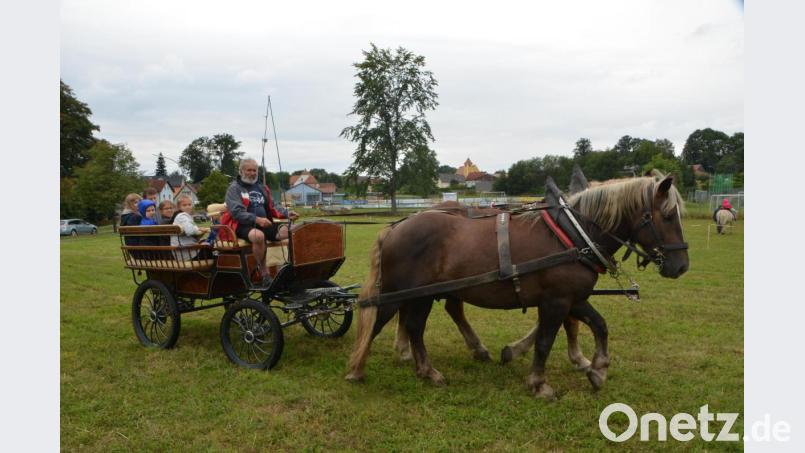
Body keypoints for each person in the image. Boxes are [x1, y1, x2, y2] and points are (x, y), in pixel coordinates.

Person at [225, 158, 299, 285]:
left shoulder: (261, 187)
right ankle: (264, 274)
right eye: (249, 170)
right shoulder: (234, 188)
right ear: (241, 171)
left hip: (265, 223)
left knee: (294, 230)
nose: (253, 173)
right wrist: (257, 219)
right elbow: (237, 212)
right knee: (258, 236)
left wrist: (287, 213)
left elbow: (273, 205)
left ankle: (290, 268)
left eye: (255, 170)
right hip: (243, 226)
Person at [171, 195, 210, 260]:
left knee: (206, 243)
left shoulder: (179, 216)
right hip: (187, 253)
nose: (188, 207)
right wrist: (200, 229)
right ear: (179, 207)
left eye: (189, 204)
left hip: (183, 251)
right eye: (184, 205)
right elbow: (190, 231)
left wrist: (199, 230)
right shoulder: (182, 216)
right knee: (212, 249)